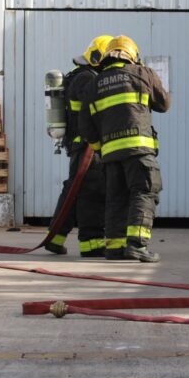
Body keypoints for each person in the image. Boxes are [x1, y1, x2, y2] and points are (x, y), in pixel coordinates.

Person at [82, 35, 171, 263]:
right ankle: (137, 245)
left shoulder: (94, 83)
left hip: (111, 156)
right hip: (139, 150)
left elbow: (86, 126)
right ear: (133, 56)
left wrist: (100, 148)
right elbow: (164, 105)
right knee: (144, 192)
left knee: (116, 199)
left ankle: (114, 247)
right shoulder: (143, 73)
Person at [45, 35, 112, 257]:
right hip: (87, 147)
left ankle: (55, 237)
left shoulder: (81, 76)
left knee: (74, 191)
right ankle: (91, 244)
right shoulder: (87, 79)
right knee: (92, 192)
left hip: (81, 145)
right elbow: (94, 113)